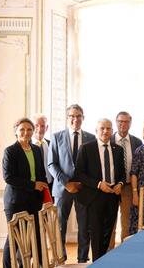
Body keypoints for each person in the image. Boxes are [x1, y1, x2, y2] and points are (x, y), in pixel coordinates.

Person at [47, 104, 95, 263]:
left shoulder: (91, 138)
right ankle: (61, 258)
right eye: (72, 116)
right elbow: (52, 164)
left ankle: (82, 259)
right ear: (67, 118)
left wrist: (83, 183)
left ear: (83, 118)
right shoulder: (56, 137)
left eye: (79, 116)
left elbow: (92, 166)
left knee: (85, 227)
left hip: (84, 189)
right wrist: (66, 183)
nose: (76, 119)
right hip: (62, 189)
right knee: (60, 226)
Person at [74, 119, 125, 261]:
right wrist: (98, 184)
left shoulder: (118, 150)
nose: (105, 131)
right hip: (94, 196)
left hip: (112, 196)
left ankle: (103, 261)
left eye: (108, 128)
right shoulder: (86, 148)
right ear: (96, 130)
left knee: (107, 233)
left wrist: (120, 184)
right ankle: (97, 261)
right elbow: (79, 174)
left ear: (112, 130)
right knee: (96, 233)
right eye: (102, 128)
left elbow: (121, 173)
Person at [2, 117, 48, 268]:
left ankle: (32, 265)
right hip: (15, 201)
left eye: (29, 129)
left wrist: (44, 194)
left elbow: (41, 173)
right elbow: (8, 177)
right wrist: (33, 185)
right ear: (16, 131)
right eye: (22, 129)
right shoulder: (10, 151)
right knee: (14, 237)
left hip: (34, 200)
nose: (26, 132)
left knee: (33, 236)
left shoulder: (36, 149)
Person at [110, 111, 142, 245]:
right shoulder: (107, 139)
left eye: (126, 121)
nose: (123, 124)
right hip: (111, 187)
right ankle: (109, 252)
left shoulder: (137, 142)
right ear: (116, 122)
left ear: (130, 123)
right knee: (110, 221)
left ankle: (124, 250)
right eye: (120, 121)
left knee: (127, 222)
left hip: (129, 186)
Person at [31, 113, 52, 196]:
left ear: (46, 128)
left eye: (42, 126)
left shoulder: (52, 144)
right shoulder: (27, 145)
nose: (39, 129)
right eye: (36, 125)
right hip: (33, 187)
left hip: (50, 186)